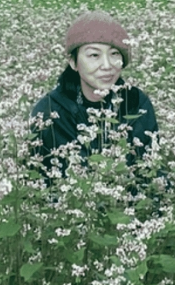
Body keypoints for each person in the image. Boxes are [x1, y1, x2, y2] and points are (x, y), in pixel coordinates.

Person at [30, 11, 158, 177]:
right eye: (94, 55)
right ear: (73, 62)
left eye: (114, 54)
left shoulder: (135, 102)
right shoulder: (51, 111)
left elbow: (149, 169)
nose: (106, 65)